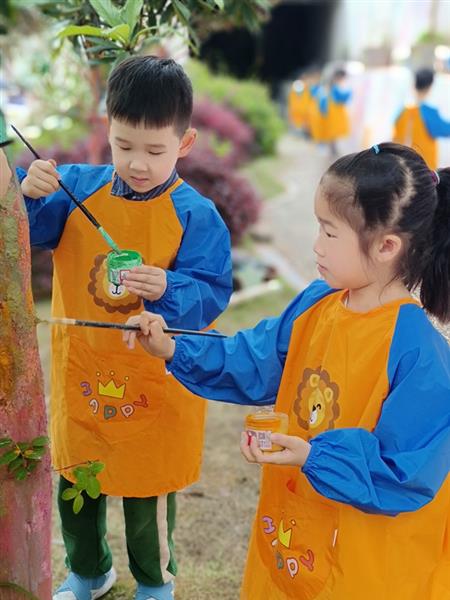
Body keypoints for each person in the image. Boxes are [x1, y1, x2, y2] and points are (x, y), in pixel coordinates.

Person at [124, 142, 450, 600]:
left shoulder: (421, 352)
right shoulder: (317, 303)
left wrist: (313, 456)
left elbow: (405, 472)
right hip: (294, 521)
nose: (316, 245)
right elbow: (254, 359)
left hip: (368, 559)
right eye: (318, 227)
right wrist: (173, 348)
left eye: (330, 233)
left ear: (386, 246)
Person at [17, 55, 232, 600]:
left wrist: (169, 287)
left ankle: (155, 582)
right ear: (106, 131)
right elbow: (24, 230)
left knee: (146, 492)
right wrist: (28, 191)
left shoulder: (196, 214)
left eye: (155, 151)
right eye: (123, 145)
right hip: (85, 372)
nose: (137, 163)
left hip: (154, 379)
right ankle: (88, 572)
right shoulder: (75, 190)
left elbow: (211, 292)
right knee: (77, 484)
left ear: (184, 143)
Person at [393, 67, 450, 169]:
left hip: (402, 166)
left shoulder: (402, 110)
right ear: (430, 86)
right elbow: (445, 130)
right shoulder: (429, 112)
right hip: (424, 168)